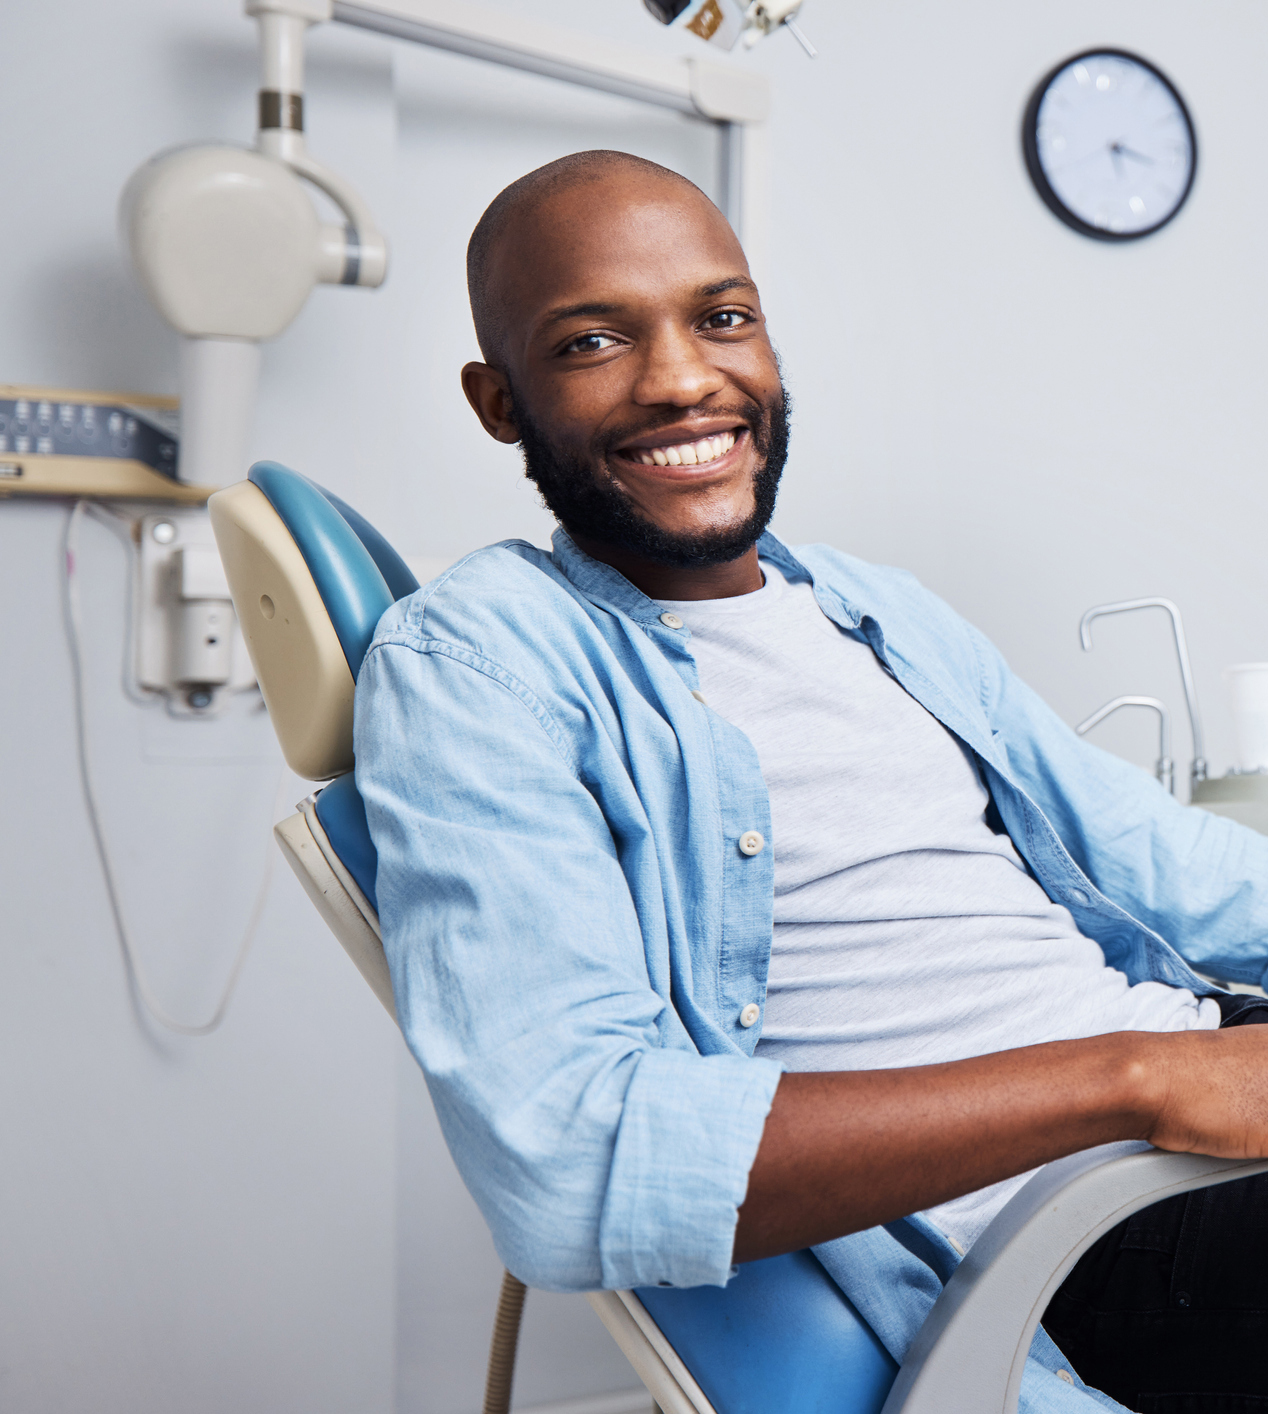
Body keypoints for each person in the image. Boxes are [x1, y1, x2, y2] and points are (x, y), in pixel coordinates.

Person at [355, 150, 1268, 1413]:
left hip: (1207, 1099)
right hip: (1085, 1230)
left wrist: (1189, 1063)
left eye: (721, 318)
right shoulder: (478, 663)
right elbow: (571, 1158)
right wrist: (1135, 1075)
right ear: (498, 400)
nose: (683, 379)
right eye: (590, 342)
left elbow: (1160, 861)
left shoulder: (867, 607)